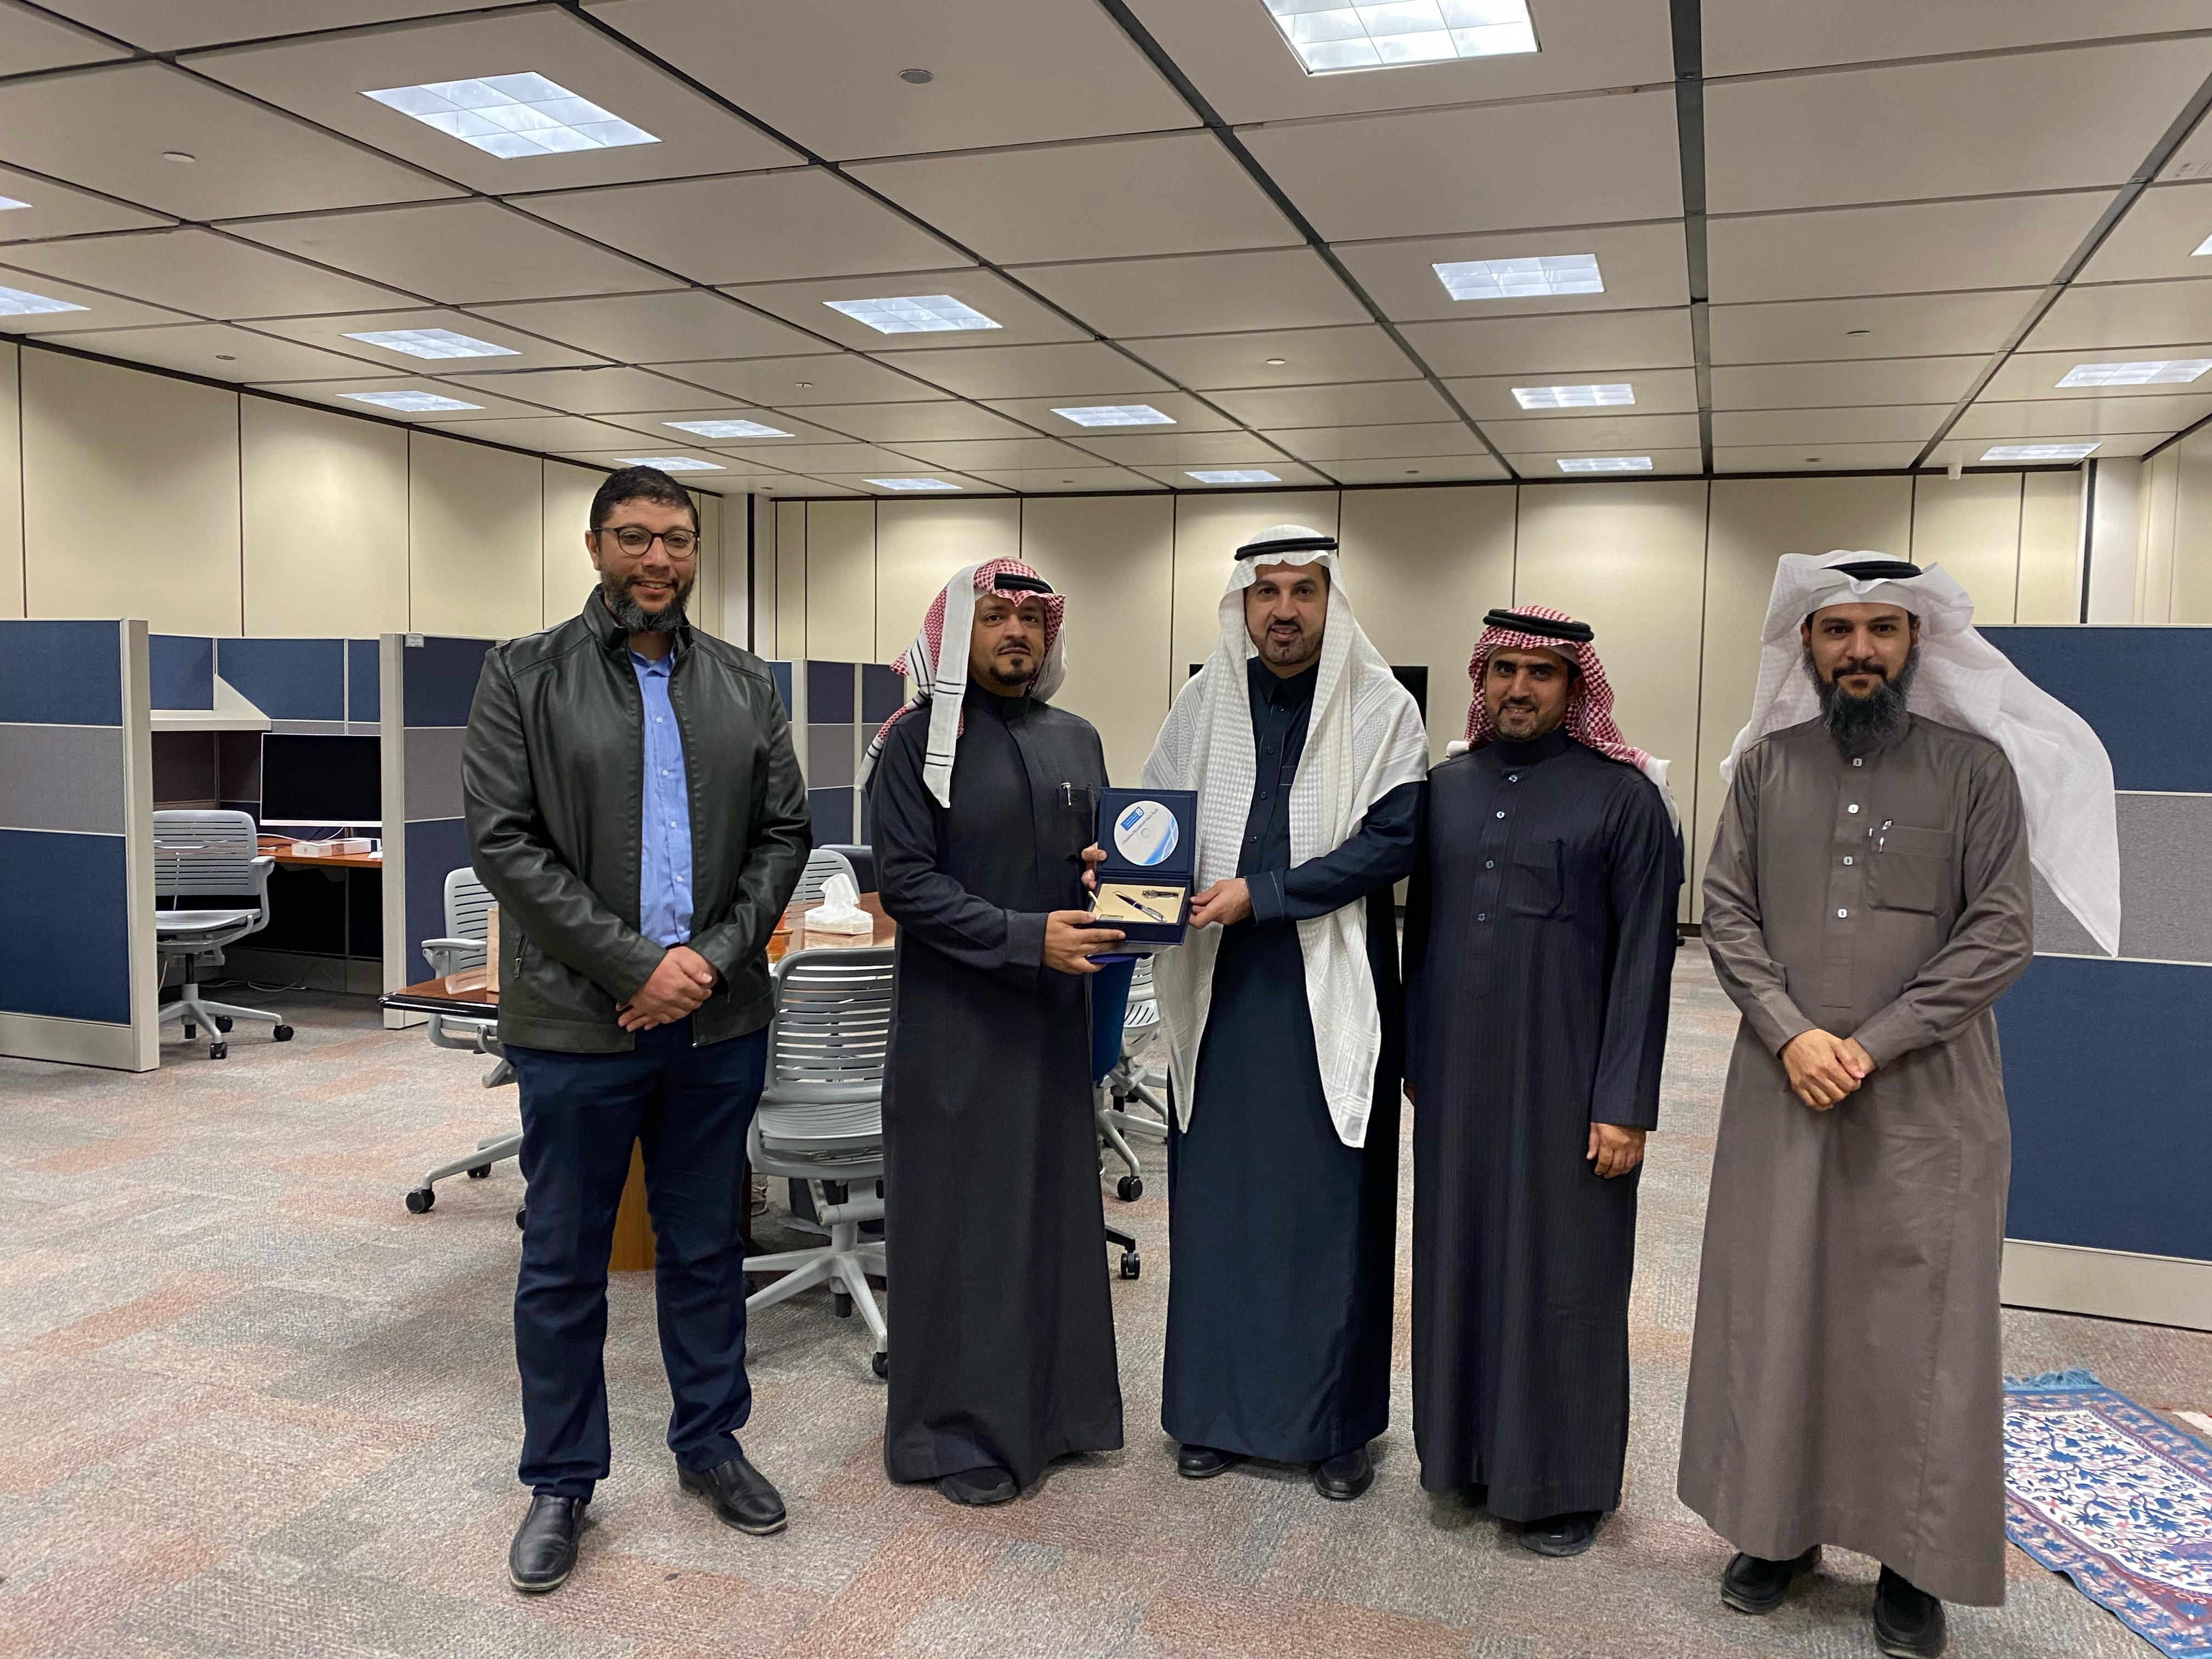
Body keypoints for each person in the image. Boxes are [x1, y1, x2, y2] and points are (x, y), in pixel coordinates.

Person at [1680, 551, 2119, 1658]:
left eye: (1883, 629)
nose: (1860, 650)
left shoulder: (1976, 771)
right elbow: (1726, 913)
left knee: (1920, 1333)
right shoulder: (1765, 770)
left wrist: (1867, 1045)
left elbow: (2000, 934)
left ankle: (1912, 1563)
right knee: (1776, 1307)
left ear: (1917, 642)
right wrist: (1793, 1032)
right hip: (1782, 1088)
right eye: (1838, 630)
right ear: (1807, 645)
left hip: (1928, 1103)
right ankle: (1775, 1532)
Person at [462, 465, 811, 1595]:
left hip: (715, 1023)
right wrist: (634, 966)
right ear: (594, 546)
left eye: (676, 539)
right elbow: (504, 841)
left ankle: (710, 1442)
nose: (657, 559)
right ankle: (562, 1479)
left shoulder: (744, 684)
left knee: (704, 1247)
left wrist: (703, 965)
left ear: (696, 552)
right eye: (633, 537)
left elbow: (785, 834)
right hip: (576, 1026)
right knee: (563, 1261)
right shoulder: (523, 674)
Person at [1141, 524, 1429, 1499]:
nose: (1284, 610)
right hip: (1223, 990)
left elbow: (1390, 844)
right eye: (1266, 592)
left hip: (1329, 987)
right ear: (1243, 604)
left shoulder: (1380, 706)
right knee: (1219, 1208)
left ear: (1330, 602)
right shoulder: (1202, 702)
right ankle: (1210, 1414)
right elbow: (1157, 817)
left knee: (1329, 1208)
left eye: (1303, 590)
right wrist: (1123, 871)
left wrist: (1261, 895)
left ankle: (1335, 1429)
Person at [1404, 606, 1681, 1558]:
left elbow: (1646, 963)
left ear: (1575, 688)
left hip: (1571, 1082)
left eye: (1542, 673)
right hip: (1456, 1079)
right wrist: (1416, 1058)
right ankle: (1465, 1457)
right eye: (1504, 670)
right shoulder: (1443, 790)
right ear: (1480, 680)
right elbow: (1420, 933)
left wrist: (1624, 1103)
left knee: (1566, 1272)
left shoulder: (1625, 800)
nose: (1519, 688)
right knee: (1461, 1258)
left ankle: (1564, 1486)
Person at [859, 557, 1125, 1507]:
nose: (1016, 630)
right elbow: (907, 886)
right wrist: (1024, 937)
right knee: (963, 1232)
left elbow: (1094, 865)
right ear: (955, 633)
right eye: (994, 615)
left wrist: (1105, 878)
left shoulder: (1077, 739)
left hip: (1050, 1025)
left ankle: (1059, 1414)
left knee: (1048, 1216)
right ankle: (953, 1436)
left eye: (1030, 617)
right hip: (956, 1031)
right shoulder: (914, 743)